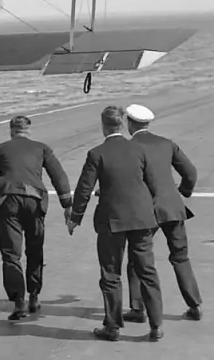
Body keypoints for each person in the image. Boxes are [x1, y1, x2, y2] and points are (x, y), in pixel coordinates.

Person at [67, 105, 164, 342]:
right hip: (141, 219)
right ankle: (156, 325)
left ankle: (112, 327)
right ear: (122, 124)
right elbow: (152, 183)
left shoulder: (96, 153)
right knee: (147, 271)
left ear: (103, 126)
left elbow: (84, 189)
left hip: (112, 221)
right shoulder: (139, 149)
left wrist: (75, 218)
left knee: (111, 274)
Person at [0, 115, 72, 320]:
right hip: (34, 200)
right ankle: (34, 295)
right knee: (35, 249)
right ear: (28, 130)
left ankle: (19, 302)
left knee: (11, 253)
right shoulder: (42, 148)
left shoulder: (0, 149)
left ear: (11, 131)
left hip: (8, 201)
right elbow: (59, 175)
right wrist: (67, 204)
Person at [123, 104, 203, 322]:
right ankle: (194, 304)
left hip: (146, 211)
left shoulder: (130, 148)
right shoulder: (167, 143)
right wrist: (183, 192)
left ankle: (138, 308)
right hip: (173, 208)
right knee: (180, 257)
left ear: (129, 123)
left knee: (137, 259)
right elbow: (190, 173)